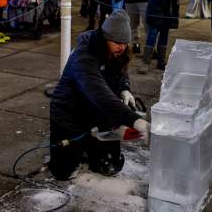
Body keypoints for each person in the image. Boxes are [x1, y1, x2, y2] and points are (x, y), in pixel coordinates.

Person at [49, 10, 150, 180]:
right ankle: (74, 151)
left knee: (110, 166)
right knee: (63, 171)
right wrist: (135, 120)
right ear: (105, 38)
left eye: (125, 43)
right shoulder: (84, 56)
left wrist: (125, 88)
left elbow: (122, 72)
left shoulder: (119, 50)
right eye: (117, 42)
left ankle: (90, 147)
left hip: (96, 112)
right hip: (70, 113)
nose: (122, 47)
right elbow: (101, 95)